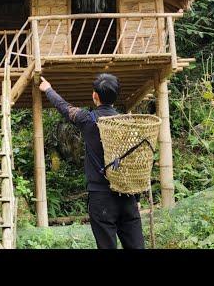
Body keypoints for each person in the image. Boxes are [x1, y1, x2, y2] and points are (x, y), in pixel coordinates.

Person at [38, 73, 145, 249]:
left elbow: (65, 107)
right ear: (116, 96)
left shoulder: (87, 119)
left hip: (101, 197)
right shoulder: (128, 123)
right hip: (127, 196)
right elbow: (135, 162)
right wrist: (137, 197)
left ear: (95, 95)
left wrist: (48, 89)